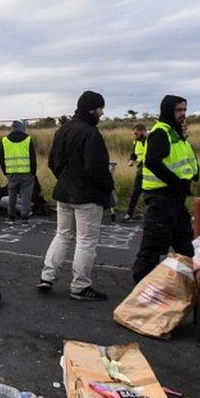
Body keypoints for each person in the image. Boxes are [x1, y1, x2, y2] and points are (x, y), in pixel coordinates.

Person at [38, 91, 114, 301]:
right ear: (92, 109)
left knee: (62, 235)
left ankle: (47, 276)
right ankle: (80, 286)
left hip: (64, 192)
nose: (102, 113)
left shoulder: (62, 130)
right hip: (87, 196)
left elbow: (53, 162)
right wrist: (108, 188)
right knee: (86, 241)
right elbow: (97, 168)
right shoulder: (91, 134)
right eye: (100, 108)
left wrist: (64, 179)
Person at [131, 95, 198, 283]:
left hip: (175, 197)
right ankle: (141, 284)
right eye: (179, 110)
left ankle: (192, 280)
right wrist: (177, 183)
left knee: (184, 241)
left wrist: (194, 174)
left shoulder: (175, 132)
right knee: (153, 245)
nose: (183, 114)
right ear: (168, 110)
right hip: (161, 197)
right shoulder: (161, 132)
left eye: (184, 110)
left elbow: (183, 158)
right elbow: (152, 162)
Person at [0, 120, 36, 224]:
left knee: (12, 195)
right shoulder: (28, 139)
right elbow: (33, 158)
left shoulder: (5, 140)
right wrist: (33, 172)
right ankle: (24, 216)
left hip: (11, 173)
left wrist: (5, 172)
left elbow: (1, 158)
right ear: (22, 128)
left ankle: (11, 215)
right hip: (26, 173)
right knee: (26, 195)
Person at [121, 124, 147, 221]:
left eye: (136, 133)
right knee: (136, 191)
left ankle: (148, 214)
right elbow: (134, 154)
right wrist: (131, 160)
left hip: (150, 170)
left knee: (149, 193)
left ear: (143, 131)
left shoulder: (151, 140)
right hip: (140, 168)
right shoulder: (136, 141)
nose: (135, 135)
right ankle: (129, 214)